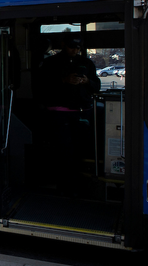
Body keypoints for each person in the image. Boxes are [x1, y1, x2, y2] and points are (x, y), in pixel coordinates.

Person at [37, 36, 101, 191]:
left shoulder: (87, 63)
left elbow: (96, 86)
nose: (75, 50)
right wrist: (64, 80)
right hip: (58, 113)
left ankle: (79, 183)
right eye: (72, 47)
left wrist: (86, 81)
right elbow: (41, 86)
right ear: (63, 45)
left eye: (78, 48)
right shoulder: (51, 63)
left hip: (82, 112)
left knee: (81, 149)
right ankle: (63, 184)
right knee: (62, 149)